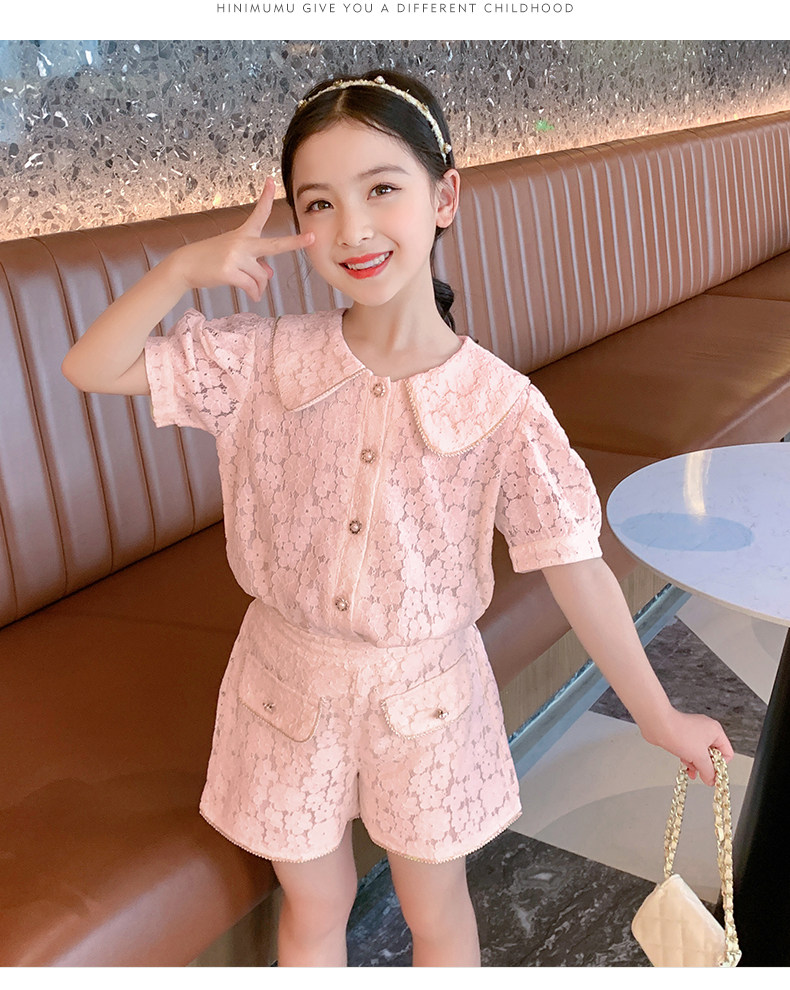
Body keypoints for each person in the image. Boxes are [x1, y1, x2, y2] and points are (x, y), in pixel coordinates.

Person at [61, 68, 734, 968]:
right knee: (315, 904)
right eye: (319, 203)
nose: (352, 228)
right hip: (283, 685)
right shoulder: (261, 361)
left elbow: (575, 564)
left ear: (444, 196)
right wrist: (182, 269)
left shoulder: (501, 406)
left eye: (382, 188)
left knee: (435, 907)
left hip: (429, 699)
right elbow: (91, 367)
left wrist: (657, 715)